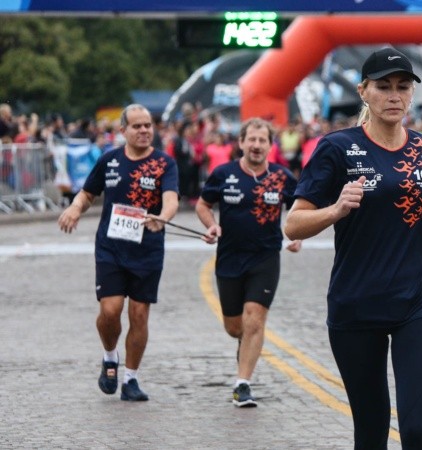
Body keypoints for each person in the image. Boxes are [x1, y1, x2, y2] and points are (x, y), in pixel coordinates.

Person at [284, 47, 422, 449]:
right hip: (357, 300)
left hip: (419, 299)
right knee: (372, 428)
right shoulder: (336, 147)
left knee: (416, 429)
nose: (394, 95)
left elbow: (411, 213)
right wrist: (335, 209)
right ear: (364, 91)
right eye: (383, 87)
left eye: (402, 87)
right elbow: (292, 224)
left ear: (412, 94)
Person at [58, 104, 179, 402]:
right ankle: (110, 356)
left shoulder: (164, 163)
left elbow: (172, 200)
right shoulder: (109, 160)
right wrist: (75, 208)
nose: (144, 131)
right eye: (137, 126)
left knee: (139, 314)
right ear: (122, 130)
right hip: (111, 248)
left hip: (148, 250)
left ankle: (131, 379)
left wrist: (161, 217)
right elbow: (87, 194)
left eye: (147, 125)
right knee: (110, 311)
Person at [195, 118, 302, 407]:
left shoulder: (282, 177)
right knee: (235, 327)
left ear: (270, 145)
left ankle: (243, 384)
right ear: (241, 143)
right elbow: (203, 204)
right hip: (229, 259)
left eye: (262, 140)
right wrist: (211, 226)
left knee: (255, 318)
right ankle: (245, 346)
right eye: (251, 140)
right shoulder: (223, 174)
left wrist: (295, 234)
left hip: (265, 258)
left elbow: (300, 207)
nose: (256, 145)